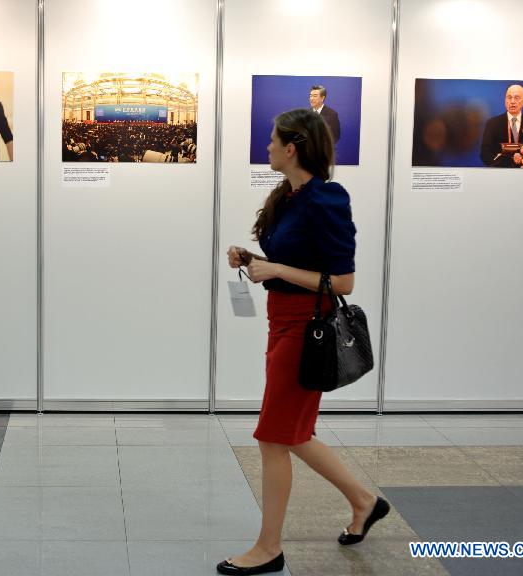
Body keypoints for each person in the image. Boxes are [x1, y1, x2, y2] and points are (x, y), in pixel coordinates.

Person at [221, 109, 388, 575]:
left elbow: (343, 282)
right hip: (283, 323)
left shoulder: (327, 199)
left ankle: (269, 548)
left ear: (292, 147)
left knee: (274, 437)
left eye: (273, 141)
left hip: (306, 330)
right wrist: (256, 260)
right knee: (292, 432)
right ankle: (364, 501)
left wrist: (274, 270)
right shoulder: (288, 196)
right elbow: (295, 265)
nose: (268, 147)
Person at [480, 84, 523, 167]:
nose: (512, 101)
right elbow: (484, 152)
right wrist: (497, 164)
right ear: (505, 101)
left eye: (516, 98)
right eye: (509, 97)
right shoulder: (492, 123)